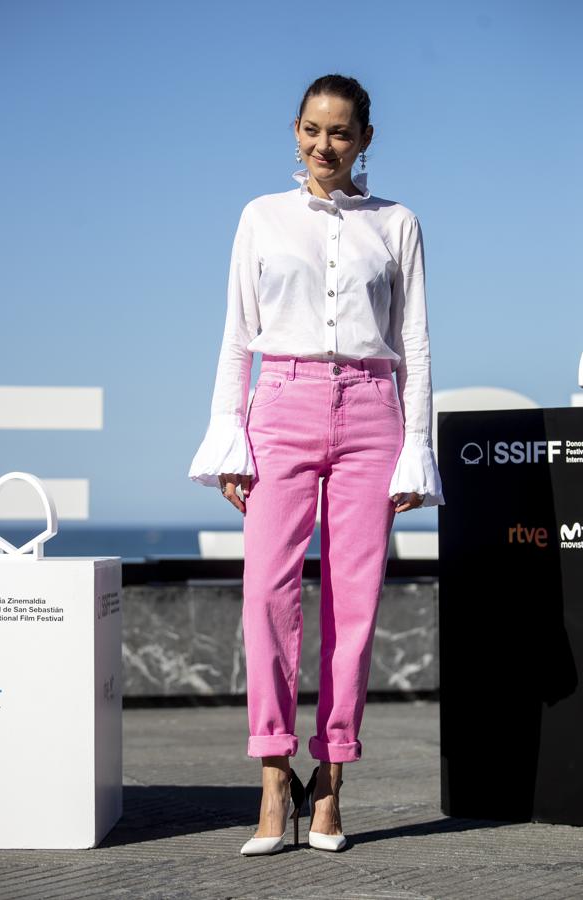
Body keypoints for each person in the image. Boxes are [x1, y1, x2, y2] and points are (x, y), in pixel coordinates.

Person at [188, 73, 445, 855]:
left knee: (353, 607)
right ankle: (273, 779)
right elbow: (238, 336)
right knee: (265, 594)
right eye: (310, 129)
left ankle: (331, 782)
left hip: (372, 413)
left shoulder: (396, 222)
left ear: (365, 139)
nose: (322, 146)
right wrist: (228, 436)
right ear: (294, 130)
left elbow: (416, 346)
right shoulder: (260, 217)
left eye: (339, 133)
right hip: (283, 404)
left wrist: (416, 449)